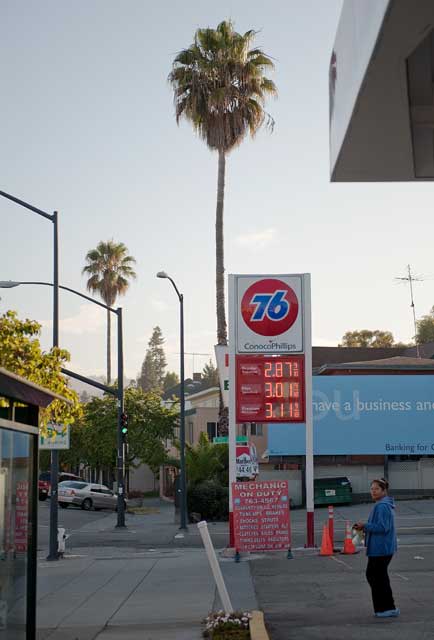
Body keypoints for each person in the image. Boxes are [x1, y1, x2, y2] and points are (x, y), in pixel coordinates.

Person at [354, 478, 399, 618]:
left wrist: (365, 526)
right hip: (381, 548)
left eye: (376, 489)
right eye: (372, 488)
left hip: (381, 548)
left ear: (384, 491)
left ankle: (385, 608)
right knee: (378, 577)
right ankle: (387, 607)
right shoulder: (382, 504)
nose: (373, 491)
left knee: (376, 577)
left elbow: (383, 527)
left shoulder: (382, 506)